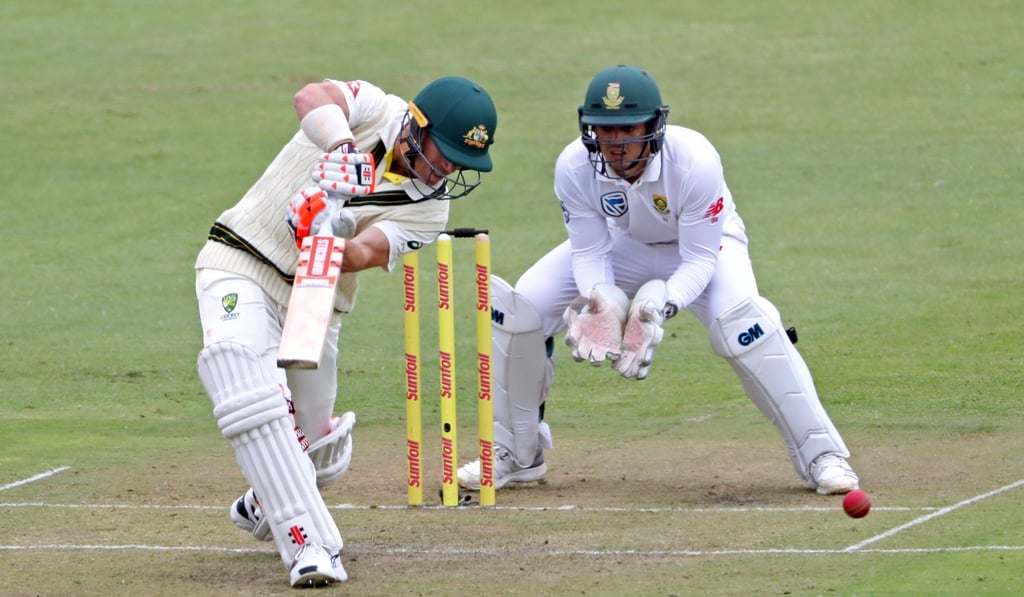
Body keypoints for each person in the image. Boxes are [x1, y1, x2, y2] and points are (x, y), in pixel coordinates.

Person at [457, 64, 858, 498]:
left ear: (654, 125)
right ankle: (518, 454)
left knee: (746, 327)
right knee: (521, 309)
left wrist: (659, 307)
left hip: (705, 246)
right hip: (623, 242)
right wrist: (603, 301)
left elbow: (702, 258)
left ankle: (823, 455)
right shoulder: (574, 165)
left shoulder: (695, 160)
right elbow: (589, 251)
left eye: (628, 128)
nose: (615, 143)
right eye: (604, 130)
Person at [195, 75, 497, 587]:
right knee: (247, 387)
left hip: (315, 304)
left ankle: (264, 500)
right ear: (415, 124)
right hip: (240, 261)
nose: (447, 168)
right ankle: (310, 545)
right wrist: (340, 147)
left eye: (459, 162)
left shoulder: (432, 209)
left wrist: (324, 233)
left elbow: (364, 253)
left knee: (315, 450)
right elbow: (311, 96)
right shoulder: (378, 108)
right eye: (443, 152)